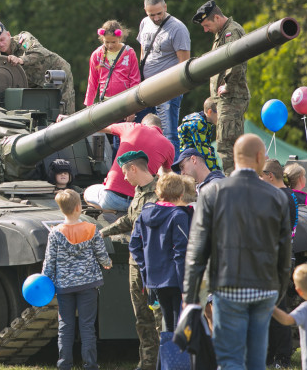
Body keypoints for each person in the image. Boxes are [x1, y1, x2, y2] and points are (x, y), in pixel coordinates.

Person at [184, 134, 292, 370]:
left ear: (234, 157)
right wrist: (278, 291)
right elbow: (284, 254)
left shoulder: (212, 192)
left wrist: (190, 297)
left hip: (227, 287)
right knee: (256, 358)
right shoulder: (277, 197)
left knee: (230, 359)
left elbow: (197, 250)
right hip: (264, 288)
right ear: (260, 157)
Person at [98, 150, 161, 370]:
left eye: (125, 172)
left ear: (133, 168)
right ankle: (147, 363)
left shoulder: (161, 191)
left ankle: (166, 362)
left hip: (155, 265)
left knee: (160, 318)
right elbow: (131, 219)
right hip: (136, 265)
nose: (124, 178)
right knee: (142, 318)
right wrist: (104, 232)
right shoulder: (138, 191)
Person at [43, 189, 112, 370]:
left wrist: (45, 280)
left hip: (64, 287)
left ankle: (64, 364)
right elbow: (101, 254)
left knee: (65, 326)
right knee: (87, 326)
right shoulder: (91, 229)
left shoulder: (55, 233)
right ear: (78, 207)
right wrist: (107, 263)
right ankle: (90, 364)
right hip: (88, 285)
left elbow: (49, 261)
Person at [193, 0, 249, 175]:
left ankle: (233, 182)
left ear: (217, 18)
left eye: (206, 25)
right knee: (228, 144)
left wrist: (228, 86)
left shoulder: (231, 32)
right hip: (225, 99)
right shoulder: (222, 33)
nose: (205, 30)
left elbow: (237, 59)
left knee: (227, 145)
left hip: (231, 98)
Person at [129, 172, 189, 333]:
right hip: (176, 280)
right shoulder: (179, 215)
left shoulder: (144, 214)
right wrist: (185, 285)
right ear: (181, 193)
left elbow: (134, 245)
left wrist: (146, 270)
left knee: (168, 325)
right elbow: (181, 252)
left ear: (157, 192)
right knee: (180, 327)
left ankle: (165, 351)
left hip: (155, 279)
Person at [84, 114, 174, 213]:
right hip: (139, 202)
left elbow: (99, 127)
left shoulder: (131, 127)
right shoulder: (169, 146)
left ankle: (112, 212)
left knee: (87, 193)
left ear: (142, 124)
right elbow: (166, 176)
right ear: (161, 130)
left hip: (111, 198)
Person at [137, 0, 191, 155]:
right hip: (146, 87)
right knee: (143, 132)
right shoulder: (144, 23)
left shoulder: (177, 28)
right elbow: (143, 51)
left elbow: (184, 63)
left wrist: (176, 89)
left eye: (159, 13)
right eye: (151, 14)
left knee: (168, 134)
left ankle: (172, 167)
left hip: (168, 89)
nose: (156, 18)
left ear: (165, 7)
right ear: (145, 11)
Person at [260, 158, 298, 368]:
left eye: (261, 176)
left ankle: (281, 356)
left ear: (270, 175)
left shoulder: (278, 197)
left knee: (276, 308)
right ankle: (271, 353)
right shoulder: (288, 195)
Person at [0, 25, 76, 114]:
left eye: (2, 39)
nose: (1, 44)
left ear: (8, 34)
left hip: (56, 73)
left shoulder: (23, 39)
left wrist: (21, 60)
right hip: (35, 85)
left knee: (62, 112)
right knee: (40, 115)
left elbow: (41, 52)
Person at [84, 20, 140, 108]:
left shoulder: (129, 53)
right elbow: (92, 81)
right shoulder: (97, 55)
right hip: (105, 102)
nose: (110, 45)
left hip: (125, 102)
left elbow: (135, 80)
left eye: (113, 42)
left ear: (120, 38)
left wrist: (133, 104)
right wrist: (89, 104)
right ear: (102, 39)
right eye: (107, 42)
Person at [177, 97, 220, 171]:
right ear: (210, 112)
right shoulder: (198, 124)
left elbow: (209, 149)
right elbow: (203, 152)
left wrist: (217, 168)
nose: (221, 118)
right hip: (184, 158)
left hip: (192, 156)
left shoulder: (207, 124)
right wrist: (214, 172)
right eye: (219, 114)